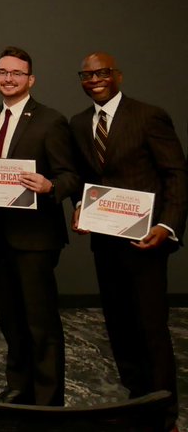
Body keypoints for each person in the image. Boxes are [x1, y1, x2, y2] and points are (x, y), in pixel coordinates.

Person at [69, 52, 186, 432]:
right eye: (87, 75)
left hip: (145, 243)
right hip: (105, 243)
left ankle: (164, 415)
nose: (94, 79)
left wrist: (167, 226)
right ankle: (137, 400)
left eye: (101, 72)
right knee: (119, 327)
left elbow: (176, 175)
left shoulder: (148, 116)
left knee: (151, 328)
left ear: (117, 75)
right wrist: (80, 209)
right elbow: (85, 180)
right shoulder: (79, 123)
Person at [0, 47, 78, 407]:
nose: (8, 78)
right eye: (2, 71)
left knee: (40, 323)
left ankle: (48, 400)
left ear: (30, 80)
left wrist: (51, 186)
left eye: (17, 73)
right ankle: (19, 386)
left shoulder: (51, 120)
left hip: (34, 238)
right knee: (11, 319)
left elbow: (69, 175)